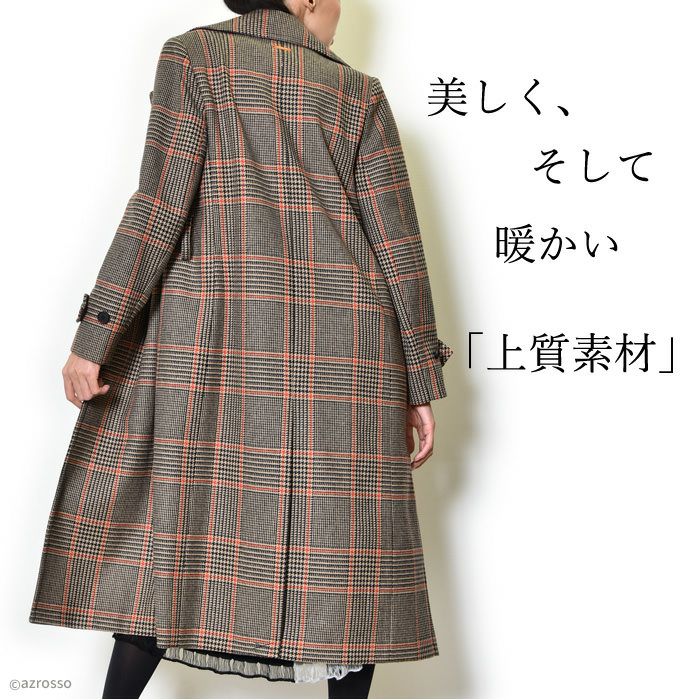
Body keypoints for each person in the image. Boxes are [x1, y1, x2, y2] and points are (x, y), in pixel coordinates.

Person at [28, 0, 454, 698]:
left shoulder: (195, 56)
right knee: (344, 561)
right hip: (346, 356)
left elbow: (159, 206)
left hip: (214, 339)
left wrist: (95, 335)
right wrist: (418, 381)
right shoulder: (358, 92)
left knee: (170, 538)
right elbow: (398, 246)